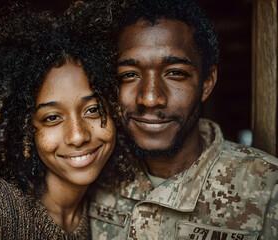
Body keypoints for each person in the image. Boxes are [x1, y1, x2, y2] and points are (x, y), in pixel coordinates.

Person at [0, 3, 135, 239]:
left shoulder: (107, 221)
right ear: (26, 129)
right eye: (52, 118)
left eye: (93, 110)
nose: (78, 136)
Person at [87, 0, 278, 239]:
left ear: (207, 82)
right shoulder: (91, 174)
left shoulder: (268, 187)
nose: (150, 98)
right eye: (129, 75)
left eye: (175, 73)